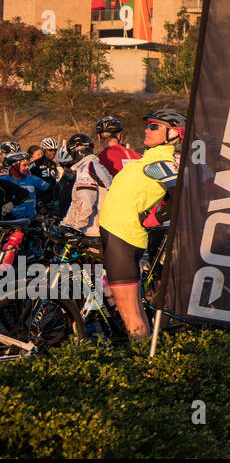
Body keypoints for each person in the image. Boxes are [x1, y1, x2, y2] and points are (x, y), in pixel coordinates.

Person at [97, 110, 184, 339]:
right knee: (134, 309)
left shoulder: (160, 163)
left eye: (154, 127)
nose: (147, 130)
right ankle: (148, 361)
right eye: (148, 126)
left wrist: (153, 219)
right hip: (120, 236)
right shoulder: (149, 160)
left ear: (173, 134)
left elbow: (180, 200)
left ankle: (142, 368)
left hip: (122, 238)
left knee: (130, 313)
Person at [58, 133, 111, 237]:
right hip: (104, 225)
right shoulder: (93, 165)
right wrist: (66, 223)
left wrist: (74, 226)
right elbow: (76, 202)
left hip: (94, 229)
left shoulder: (86, 169)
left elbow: (85, 202)